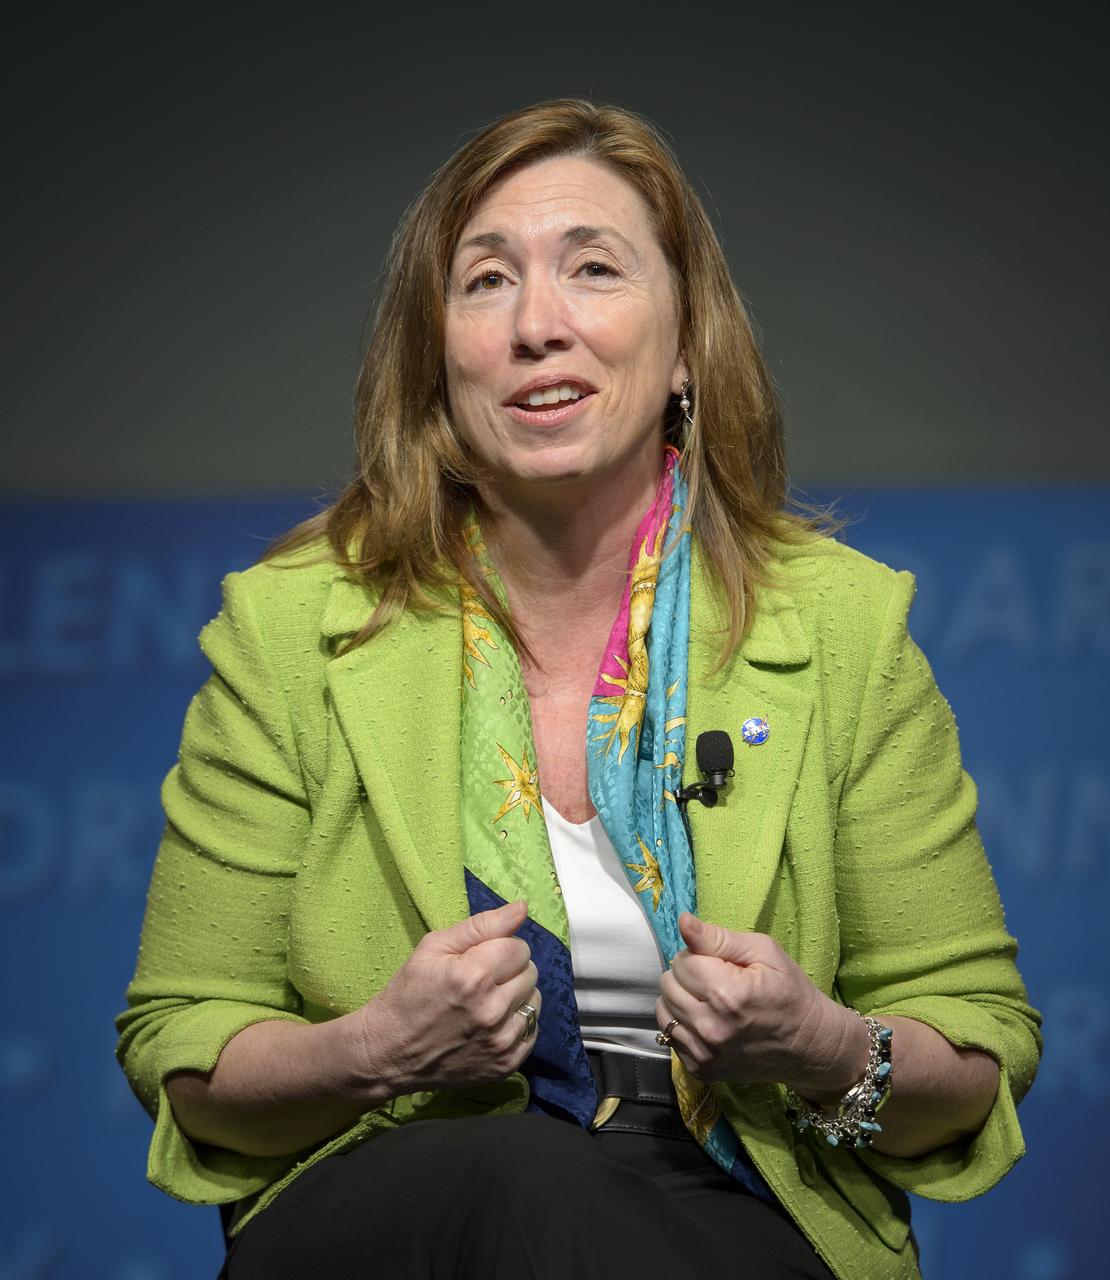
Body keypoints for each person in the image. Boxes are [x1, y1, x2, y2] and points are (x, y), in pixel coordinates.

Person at [116, 98, 1041, 1280]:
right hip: (392, 1204)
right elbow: (184, 1050)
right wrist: (374, 1047)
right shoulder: (291, 628)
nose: (537, 326)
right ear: (435, 355)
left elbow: (976, 1059)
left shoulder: (845, 627)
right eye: (486, 282)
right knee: (515, 1174)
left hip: (729, 1214)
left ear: (689, 345)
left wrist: (817, 1042)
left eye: (593, 269)